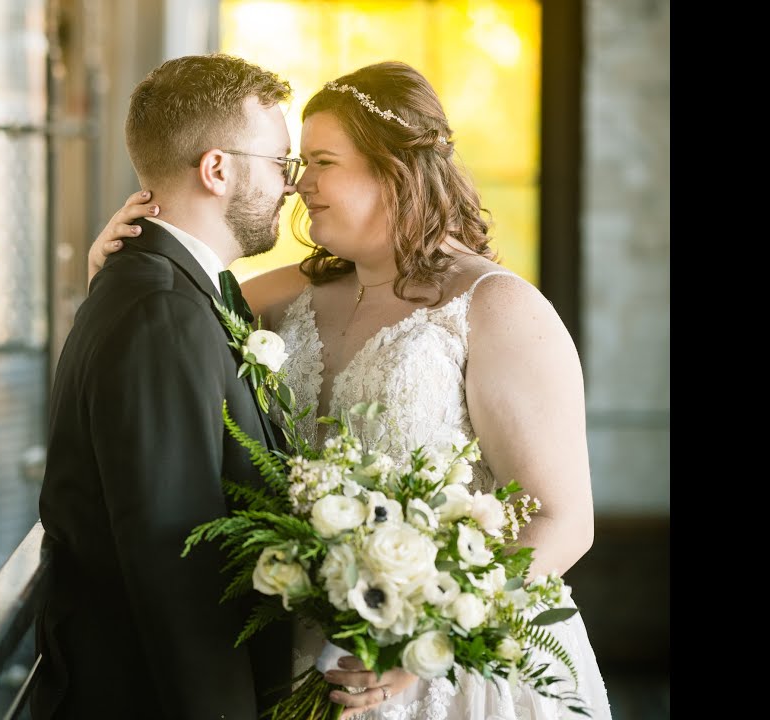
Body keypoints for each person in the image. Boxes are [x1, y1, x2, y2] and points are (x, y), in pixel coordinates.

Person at [86, 61, 614, 720]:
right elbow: (163, 335)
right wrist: (121, 265)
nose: (298, 183)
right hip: (312, 656)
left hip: (452, 669)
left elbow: (562, 521)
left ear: (394, 169)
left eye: (321, 161)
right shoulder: (283, 297)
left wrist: (426, 642)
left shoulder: (497, 307)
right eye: (297, 161)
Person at [32, 53, 301, 720]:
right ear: (217, 170)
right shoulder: (159, 310)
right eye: (281, 164)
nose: (290, 187)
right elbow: (178, 565)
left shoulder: (175, 290)